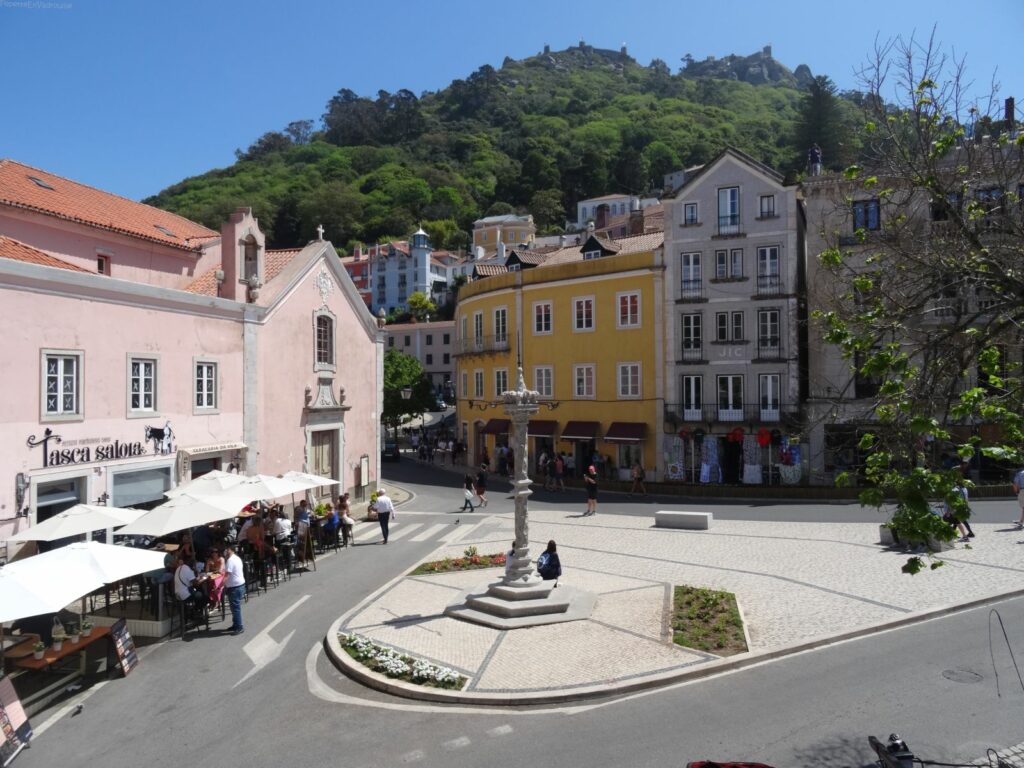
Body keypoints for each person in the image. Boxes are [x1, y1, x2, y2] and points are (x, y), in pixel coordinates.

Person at [222, 544, 245, 635]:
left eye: (226, 549)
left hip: (235, 587)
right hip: (238, 586)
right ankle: (235, 625)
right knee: (233, 607)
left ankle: (239, 627)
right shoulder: (236, 558)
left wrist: (220, 586)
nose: (225, 551)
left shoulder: (230, 561)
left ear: (230, 550)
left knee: (235, 608)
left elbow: (227, 575)